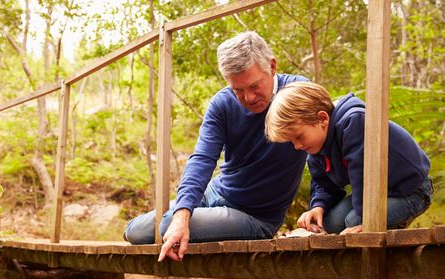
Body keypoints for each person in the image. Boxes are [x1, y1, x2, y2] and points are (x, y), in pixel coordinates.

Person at [123, 31, 309, 262]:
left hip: (252, 217)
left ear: (272, 67)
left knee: (160, 229)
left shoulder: (298, 93)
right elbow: (202, 158)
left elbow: (324, 143)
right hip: (214, 192)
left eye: (253, 86)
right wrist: (182, 215)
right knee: (136, 231)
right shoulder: (222, 103)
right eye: (238, 90)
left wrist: (321, 204)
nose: (248, 97)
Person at [264, 81, 433, 234]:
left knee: (353, 222)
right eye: (292, 141)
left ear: (322, 119)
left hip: (410, 190)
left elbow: (365, 176)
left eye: (299, 137)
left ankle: (392, 230)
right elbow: (323, 183)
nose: (297, 146)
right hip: (375, 193)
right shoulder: (317, 145)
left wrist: (365, 223)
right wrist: (318, 206)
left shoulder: (354, 122)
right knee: (330, 223)